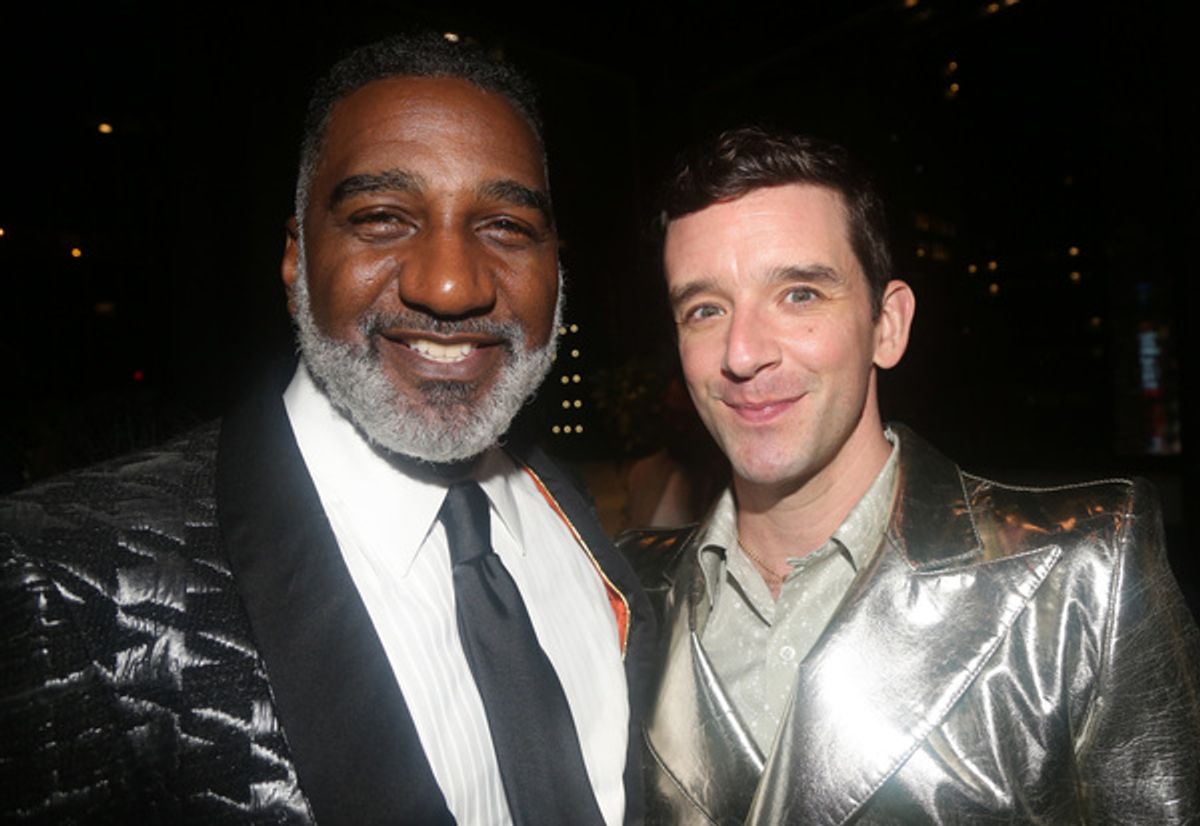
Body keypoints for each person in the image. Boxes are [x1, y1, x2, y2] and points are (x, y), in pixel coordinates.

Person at [1, 34, 654, 825]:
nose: (451, 284)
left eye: (507, 227)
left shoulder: (572, 519)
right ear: (296, 258)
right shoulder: (70, 584)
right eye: (382, 218)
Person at [620, 126, 1200, 824]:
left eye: (800, 294)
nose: (742, 353)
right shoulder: (619, 590)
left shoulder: (1080, 575)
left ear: (887, 325)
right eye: (705, 309)